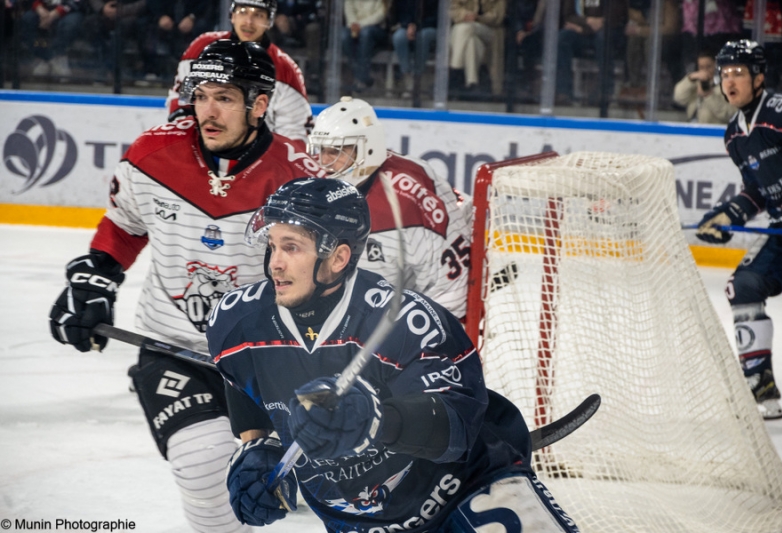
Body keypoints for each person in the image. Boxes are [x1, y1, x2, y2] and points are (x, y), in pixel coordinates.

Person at [49, 40, 326, 533]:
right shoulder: (152, 157)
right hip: (172, 345)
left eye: (224, 97)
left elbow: (328, 272)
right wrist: (95, 281)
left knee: (292, 488)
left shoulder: (299, 177)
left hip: (266, 355)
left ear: (259, 105)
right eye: (200, 95)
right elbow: (125, 226)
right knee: (203, 464)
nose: (208, 111)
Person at [206, 177, 581, 533]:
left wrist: (377, 420)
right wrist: (258, 446)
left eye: (292, 247)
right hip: (357, 523)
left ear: (338, 258)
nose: (274, 263)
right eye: (272, 245)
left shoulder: (406, 322)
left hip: (468, 492)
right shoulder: (236, 322)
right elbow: (246, 381)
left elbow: (457, 427)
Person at [695, 39, 782, 420]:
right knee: (744, 286)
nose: (729, 82)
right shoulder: (734, 135)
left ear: (759, 77)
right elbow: (756, 190)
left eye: (738, 73)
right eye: (725, 74)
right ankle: (761, 386)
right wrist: (730, 215)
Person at [308, 97, 472, 319]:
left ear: (367, 148)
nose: (323, 162)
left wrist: (431, 339)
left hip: (404, 324)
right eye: (322, 150)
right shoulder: (317, 186)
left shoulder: (407, 201)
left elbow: (448, 290)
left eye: (336, 151)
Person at [166, 0, 312, 148]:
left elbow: (294, 136)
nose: (249, 22)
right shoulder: (201, 48)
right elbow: (182, 100)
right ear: (232, 16)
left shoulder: (286, 70)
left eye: (258, 15)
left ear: (269, 22)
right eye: (243, 12)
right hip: (202, 151)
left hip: (259, 161)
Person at [554, 0, 627, 106]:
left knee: (602, 39)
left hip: (607, 30)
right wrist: (588, 21)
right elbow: (568, 16)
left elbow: (616, 16)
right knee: (562, 38)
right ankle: (563, 92)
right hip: (581, 29)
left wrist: (583, 28)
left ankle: (605, 91)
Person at [449, 0, 506, 96]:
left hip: (490, 30)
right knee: (472, 41)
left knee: (463, 28)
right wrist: (464, 15)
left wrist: (477, 18)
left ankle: (454, 70)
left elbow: (498, 16)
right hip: (465, 29)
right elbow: (451, 9)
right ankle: (472, 83)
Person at [19, 0, 86, 78]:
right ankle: (46, 58)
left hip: (71, 11)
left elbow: (77, 3)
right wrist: (40, 9)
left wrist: (53, 15)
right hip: (43, 10)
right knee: (28, 19)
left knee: (70, 24)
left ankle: (58, 57)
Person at [673, 49, 736, 124]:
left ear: (716, 65)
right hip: (693, 128)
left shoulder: (727, 86)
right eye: (701, 67)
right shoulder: (694, 84)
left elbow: (730, 114)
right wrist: (690, 78)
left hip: (715, 131)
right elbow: (678, 97)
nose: (705, 70)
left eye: (708, 67)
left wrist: (709, 96)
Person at [390, 0, 438, 98]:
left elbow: (437, 16)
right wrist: (408, 25)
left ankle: (418, 76)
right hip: (408, 27)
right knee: (399, 37)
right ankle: (407, 77)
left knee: (423, 36)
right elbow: (400, 14)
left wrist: (418, 26)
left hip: (430, 27)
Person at [342, 0, 388, 93]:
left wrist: (360, 25)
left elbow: (380, 14)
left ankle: (361, 78)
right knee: (343, 36)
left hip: (375, 29)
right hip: (353, 27)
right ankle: (358, 75)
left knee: (365, 34)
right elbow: (349, 12)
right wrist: (353, 24)